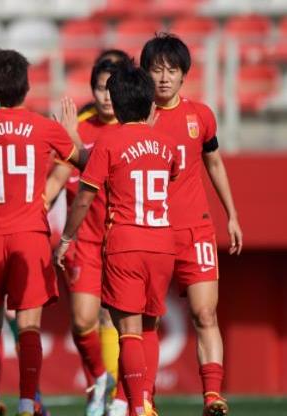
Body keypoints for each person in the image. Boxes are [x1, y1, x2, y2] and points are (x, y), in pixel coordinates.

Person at [0, 49, 85, 416]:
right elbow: (86, 162)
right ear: (27, 86)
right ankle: (28, 404)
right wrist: (72, 135)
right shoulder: (44, 127)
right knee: (29, 326)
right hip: (30, 234)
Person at [54, 65, 180, 416]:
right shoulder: (168, 145)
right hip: (162, 244)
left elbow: (84, 197)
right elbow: (170, 174)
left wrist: (66, 237)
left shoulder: (108, 142)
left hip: (125, 243)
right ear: (151, 105)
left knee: (128, 331)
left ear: (117, 105)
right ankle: (146, 402)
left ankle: (135, 406)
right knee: (150, 326)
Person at [136, 33, 242, 416]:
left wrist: (232, 214)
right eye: (157, 70)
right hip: (151, 232)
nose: (164, 77)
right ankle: (145, 400)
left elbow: (214, 163)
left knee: (205, 313)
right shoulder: (136, 118)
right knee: (147, 318)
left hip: (196, 230)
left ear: (184, 74)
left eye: (172, 70)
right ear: (145, 74)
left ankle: (212, 396)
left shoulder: (201, 116)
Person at [44, 59, 126, 416]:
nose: (106, 96)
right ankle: (99, 380)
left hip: (121, 239)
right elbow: (57, 177)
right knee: (82, 320)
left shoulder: (132, 127)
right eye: (100, 88)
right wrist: (38, 204)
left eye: (112, 88)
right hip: (84, 240)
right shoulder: (79, 125)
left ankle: (118, 397)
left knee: (115, 318)